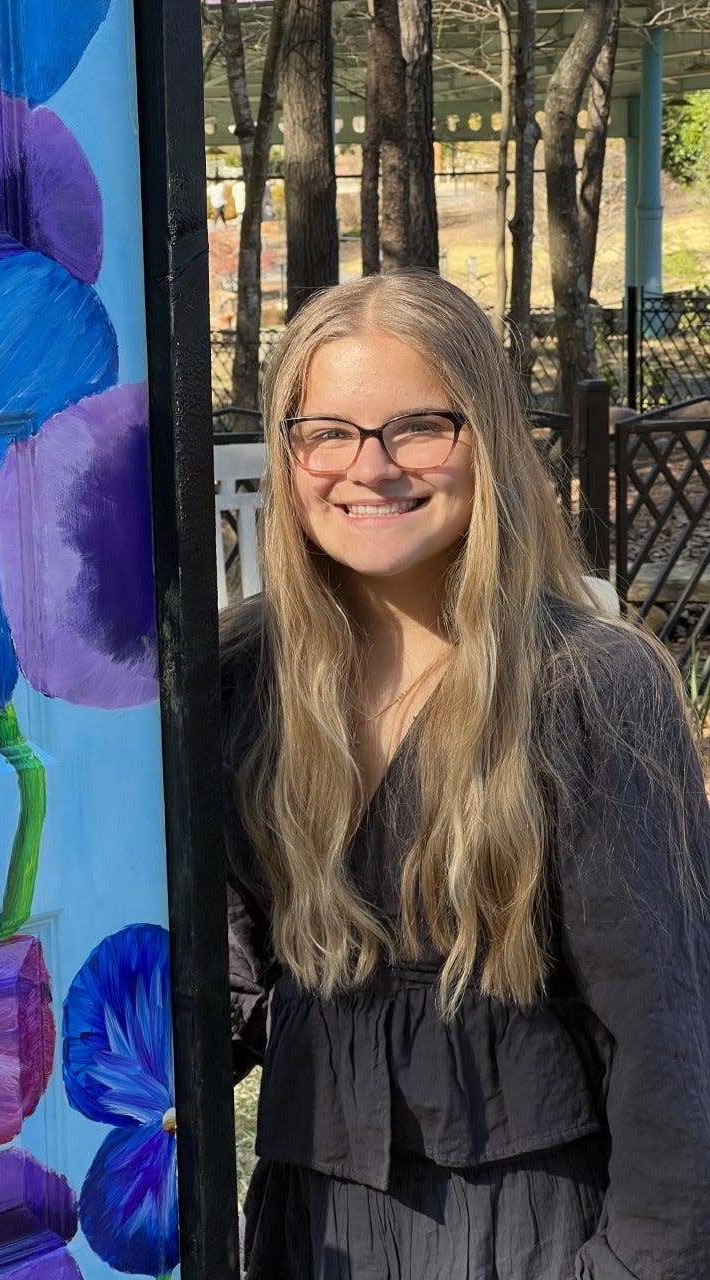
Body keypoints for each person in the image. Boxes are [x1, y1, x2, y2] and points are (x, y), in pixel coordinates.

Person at [221, 270, 710, 1280]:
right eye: (330, 432)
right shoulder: (238, 679)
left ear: (485, 435)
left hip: (533, 1237)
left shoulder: (590, 687)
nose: (372, 466)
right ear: (289, 450)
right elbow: (216, 988)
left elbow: (668, 1046)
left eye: (418, 427)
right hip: (309, 1233)